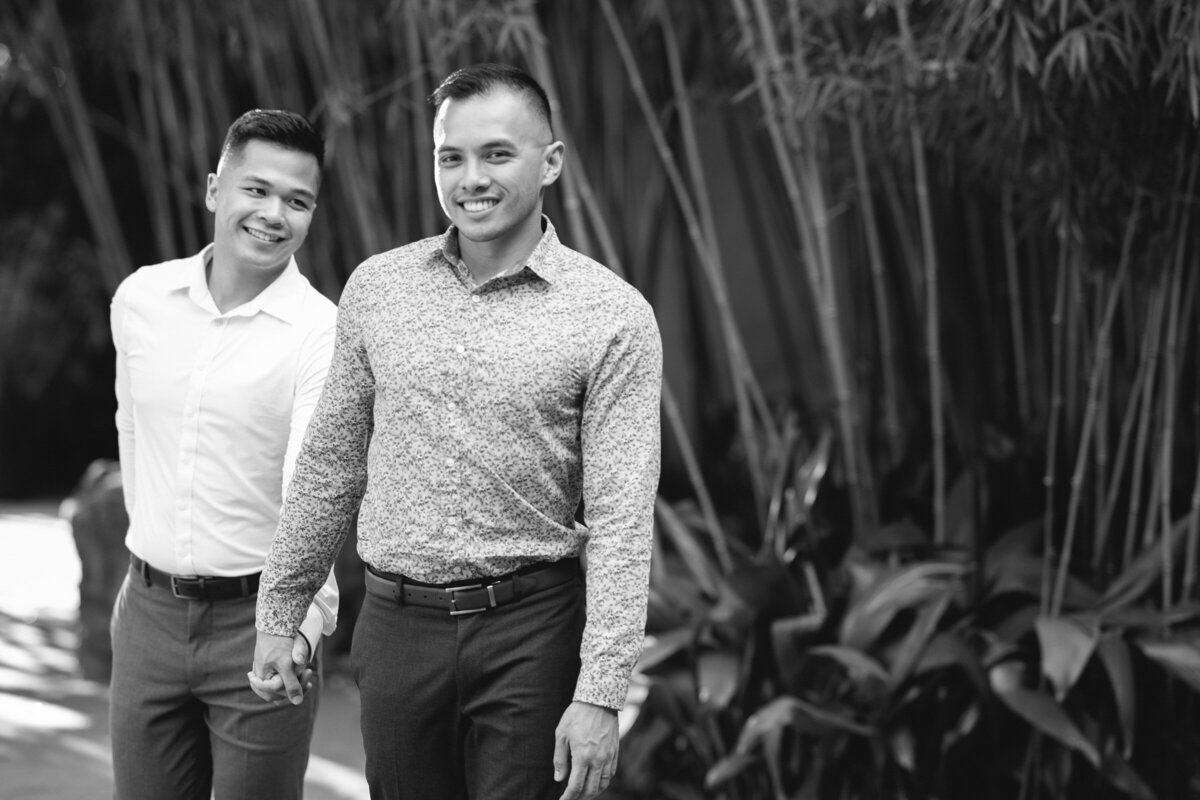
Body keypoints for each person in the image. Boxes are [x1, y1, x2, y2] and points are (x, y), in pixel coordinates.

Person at [252, 63, 662, 800]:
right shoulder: (379, 288)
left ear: (552, 163)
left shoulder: (613, 315)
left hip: (532, 633)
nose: (471, 178)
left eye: (497, 154)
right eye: (451, 156)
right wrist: (280, 610)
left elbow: (622, 520)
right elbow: (332, 463)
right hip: (398, 631)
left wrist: (600, 693)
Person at [109, 109, 339, 800]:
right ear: (216, 190)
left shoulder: (320, 331)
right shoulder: (142, 298)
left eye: (297, 201)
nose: (274, 214)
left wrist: (296, 628)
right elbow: (131, 431)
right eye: (257, 190)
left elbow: (317, 493)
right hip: (145, 614)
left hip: (259, 623)